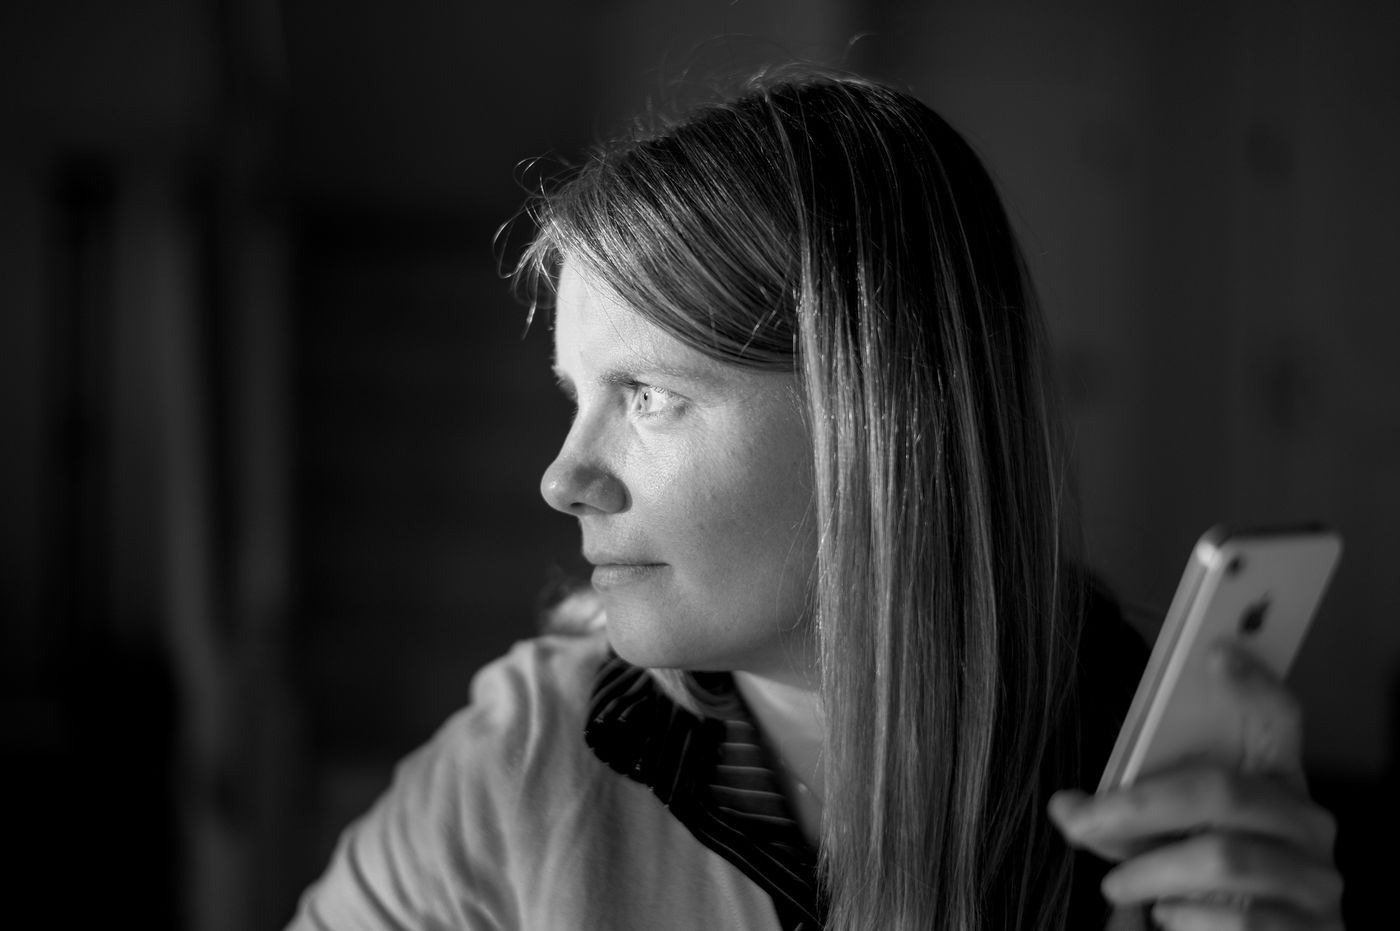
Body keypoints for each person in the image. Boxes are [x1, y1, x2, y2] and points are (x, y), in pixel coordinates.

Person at [288, 68, 1343, 931]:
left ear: (874, 415)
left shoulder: (1149, 785)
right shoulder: (524, 759)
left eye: (648, 397)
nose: (563, 478)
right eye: (578, 397)